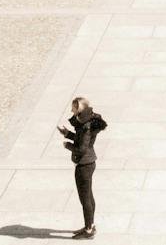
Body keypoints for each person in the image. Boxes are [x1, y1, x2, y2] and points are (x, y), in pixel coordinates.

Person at [59, 97, 106, 239]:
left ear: (78, 109)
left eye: (73, 108)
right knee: (88, 196)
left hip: (84, 165)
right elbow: (81, 140)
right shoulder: (85, 122)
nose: (71, 110)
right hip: (88, 163)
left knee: (85, 198)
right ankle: (90, 224)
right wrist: (67, 134)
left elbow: (81, 148)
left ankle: (89, 229)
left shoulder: (85, 126)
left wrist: (67, 145)